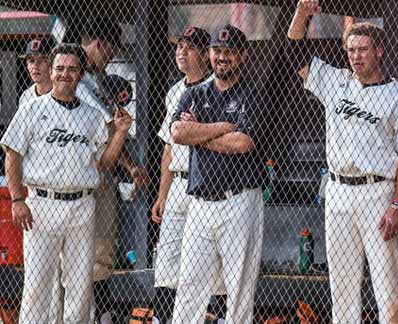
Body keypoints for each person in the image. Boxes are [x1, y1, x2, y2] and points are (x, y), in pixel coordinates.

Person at [288, 1, 398, 323]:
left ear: (379, 51)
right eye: (350, 50)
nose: (356, 56)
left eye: (363, 49)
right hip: (337, 190)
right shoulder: (335, 82)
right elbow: (293, 51)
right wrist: (302, 14)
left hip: (377, 192)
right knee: (342, 290)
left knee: (388, 288)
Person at [0, 43, 132, 324]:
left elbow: (103, 163)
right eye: (60, 68)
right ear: (52, 69)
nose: (64, 74)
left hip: (82, 205)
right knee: (38, 285)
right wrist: (17, 199)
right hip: (41, 205)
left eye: (72, 69)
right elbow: (12, 155)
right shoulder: (32, 109)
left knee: (80, 286)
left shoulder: (92, 116)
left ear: (80, 73)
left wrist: (120, 134)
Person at [169, 24, 265, 324]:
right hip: (199, 202)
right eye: (217, 51)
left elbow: (244, 142)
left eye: (230, 52)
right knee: (189, 285)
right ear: (209, 54)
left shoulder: (253, 94)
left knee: (239, 288)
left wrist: (199, 134)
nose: (222, 57)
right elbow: (178, 132)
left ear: (243, 56)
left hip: (239, 199)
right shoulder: (195, 92)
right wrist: (222, 128)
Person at [150, 26, 225, 323]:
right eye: (179, 45)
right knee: (167, 260)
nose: (182, 51)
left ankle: (216, 317)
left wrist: (195, 132)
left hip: (205, 182)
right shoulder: (174, 91)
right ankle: (164, 319)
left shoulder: (216, 87)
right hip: (178, 183)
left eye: (190, 47)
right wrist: (161, 194)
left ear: (205, 55)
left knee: (212, 262)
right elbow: (169, 148)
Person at [78, 18, 150, 323]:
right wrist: (131, 164)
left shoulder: (97, 77)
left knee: (101, 250)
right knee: (90, 251)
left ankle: (100, 313)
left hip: (99, 169)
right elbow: (108, 128)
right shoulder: (78, 77)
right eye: (110, 50)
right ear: (98, 43)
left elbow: (110, 132)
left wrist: (130, 165)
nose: (111, 57)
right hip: (81, 173)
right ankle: (94, 314)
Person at [18, 37, 57, 108]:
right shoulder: (26, 96)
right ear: (27, 65)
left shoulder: (62, 93)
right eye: (31, 61)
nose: (35, 66)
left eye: (41, 60)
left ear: (51, 64)